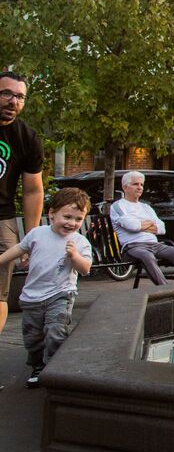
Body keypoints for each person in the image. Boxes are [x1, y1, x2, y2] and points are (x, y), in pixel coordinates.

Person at [0, 187, 91, 388]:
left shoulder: (80, 242)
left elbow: (85, 269)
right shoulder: (37, 234)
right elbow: (18, 248)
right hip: (32, 297)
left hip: (61, 294)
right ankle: (38, 365)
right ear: (51, 214)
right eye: (67, 216)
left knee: (56, 330)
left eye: (78, 219)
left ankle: (54, 368)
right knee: (32, 338)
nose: (72, 223)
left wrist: (74, 256)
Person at [0, 71, 45, 355]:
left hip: (2, 219)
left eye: (20, 97)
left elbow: (33, 191)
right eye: (7, 93)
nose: (13, 101)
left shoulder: (27, 137)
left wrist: (32, 238)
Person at [111, 171, 174, 285]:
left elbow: (161, 228)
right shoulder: (118, 206)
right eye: (135, 184)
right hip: (132, 247)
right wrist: (148, 224)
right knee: (147, 256)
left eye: (141, 184)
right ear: (125, 187)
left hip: (155, 245)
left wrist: (140, 225)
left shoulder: (146, 207)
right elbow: (133, 226)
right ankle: (165, 290)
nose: (140, 187)